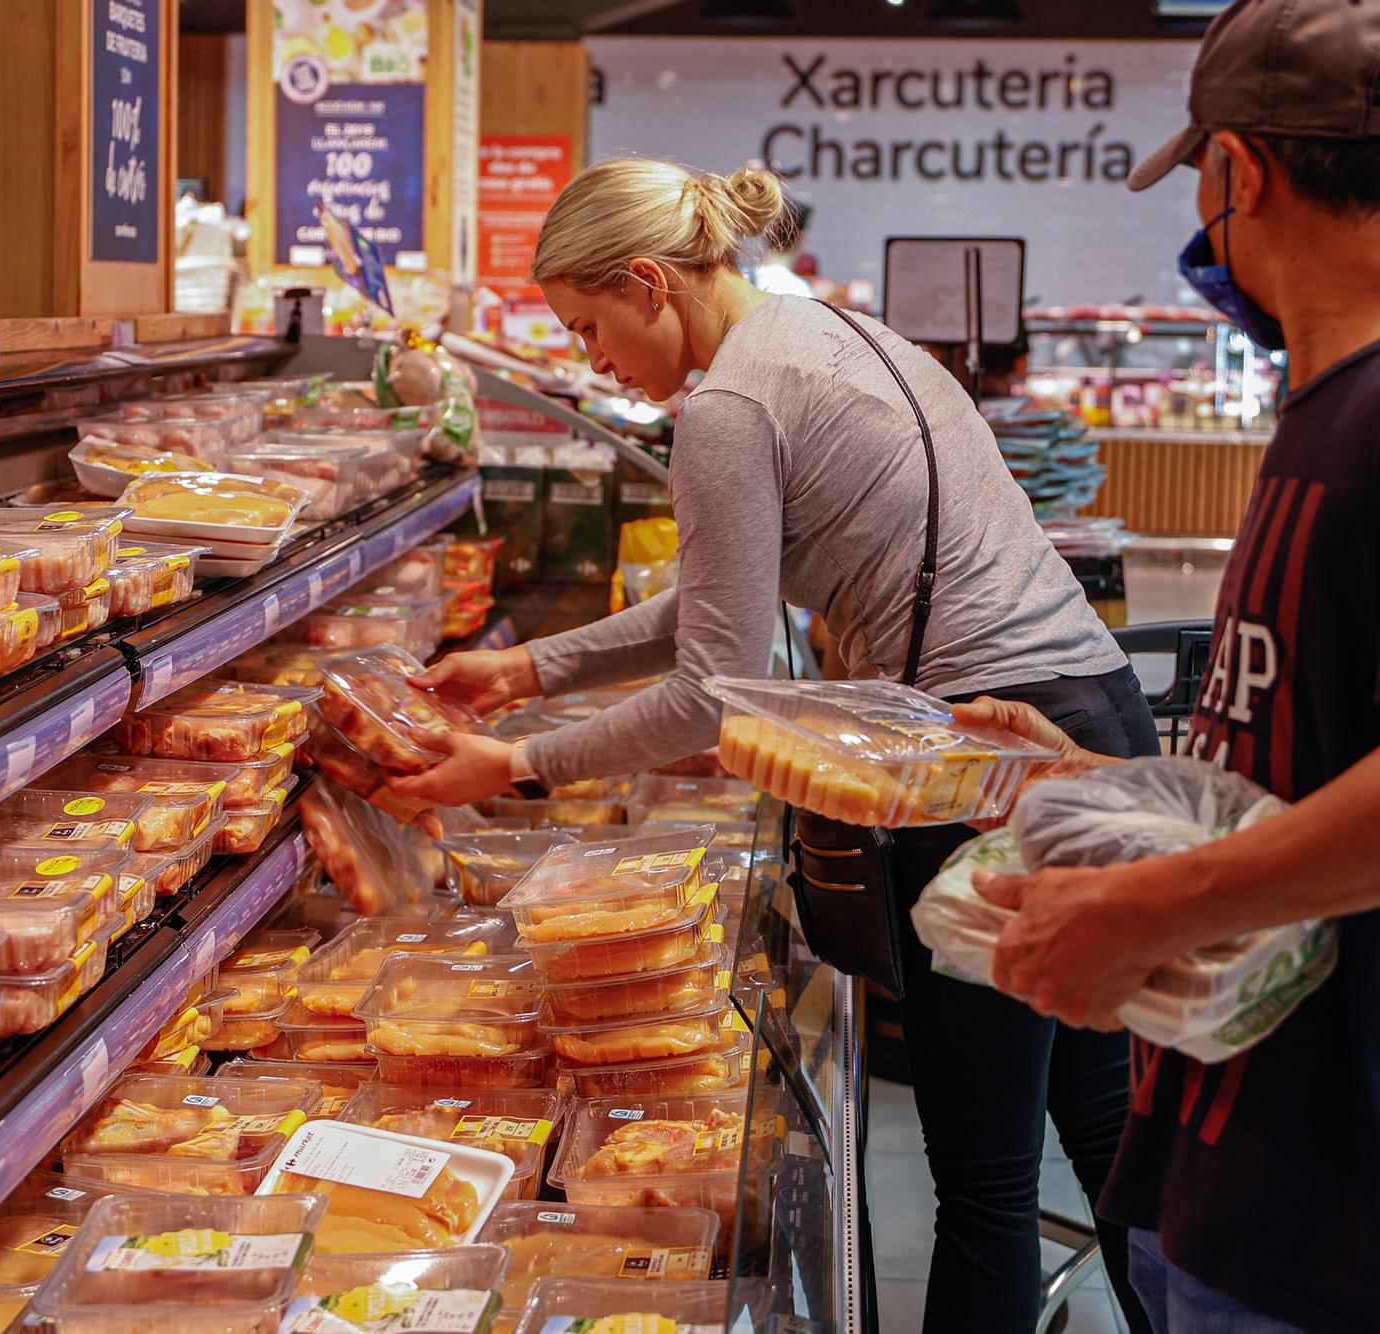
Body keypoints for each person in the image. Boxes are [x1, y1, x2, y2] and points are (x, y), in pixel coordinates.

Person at [393, 153, 1158, 1333]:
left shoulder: (725, 404)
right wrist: (528, 667)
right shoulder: (833, 335)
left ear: (650, 281)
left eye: (590, 328)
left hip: (978, 758)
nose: (592, 361)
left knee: (987, 1178)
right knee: (1101, 1126)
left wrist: (513, 763)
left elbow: (713, 687)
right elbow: (725, 591)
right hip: (1085, 713)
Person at [961, 2, 1380, 1330]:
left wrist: (1148, 908)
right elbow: (1297, 759)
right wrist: (1089, 783)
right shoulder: (1322, 410)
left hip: (1326, 1207)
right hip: (1230, 1149)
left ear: (1238, 172)